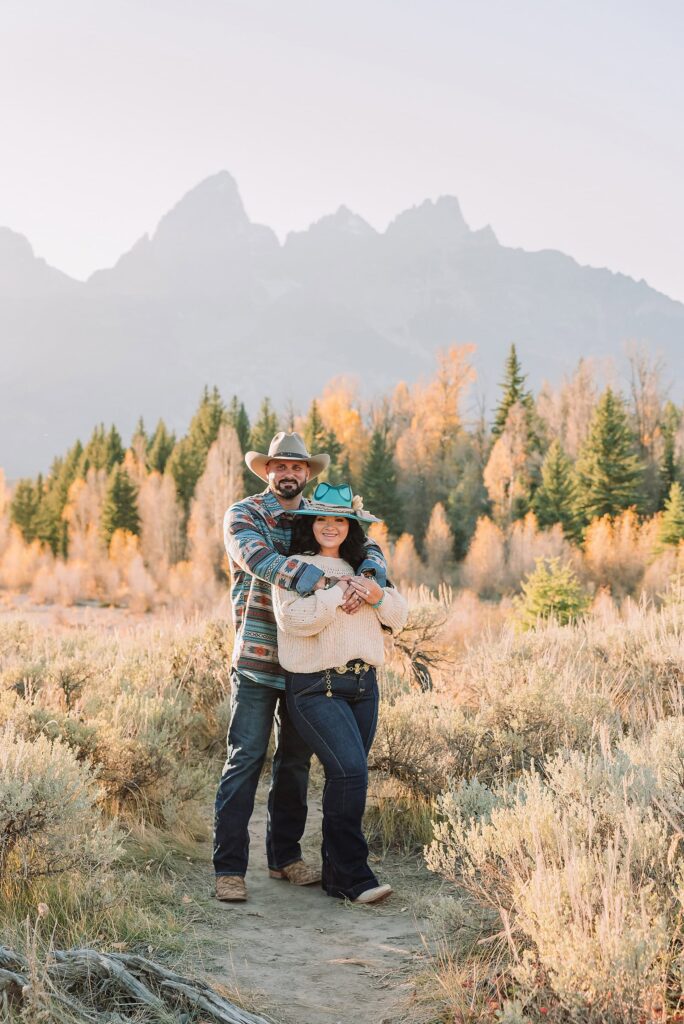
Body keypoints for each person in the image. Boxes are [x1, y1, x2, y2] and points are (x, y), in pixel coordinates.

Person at [213, 432, 387, 902]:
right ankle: (228, 869)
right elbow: (258, 559)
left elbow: (364, 544)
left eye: (297, 467)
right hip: (257, 655)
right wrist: (320, 581)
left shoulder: (320, 515)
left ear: (308, 473)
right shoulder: (244, 514)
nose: (288, 473)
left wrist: (367, 579)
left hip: (306, 661)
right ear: (266, 470)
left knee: (294, 762)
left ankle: (284, 857)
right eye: (279, 466)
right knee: (245, 758)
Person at [272, 483, 408, 904]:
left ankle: (335, 873)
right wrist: (335, 593)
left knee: (346, 777)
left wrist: (375, 594)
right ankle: (354, 877)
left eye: (340, 521)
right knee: (350, 771)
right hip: (316, 685)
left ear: (352, 528)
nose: (331, 527)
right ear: (311, 524)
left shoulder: (368, 569)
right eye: (323, 520)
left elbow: (399, 617)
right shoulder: (294, 567)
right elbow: (294, 621)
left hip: (364, 685)